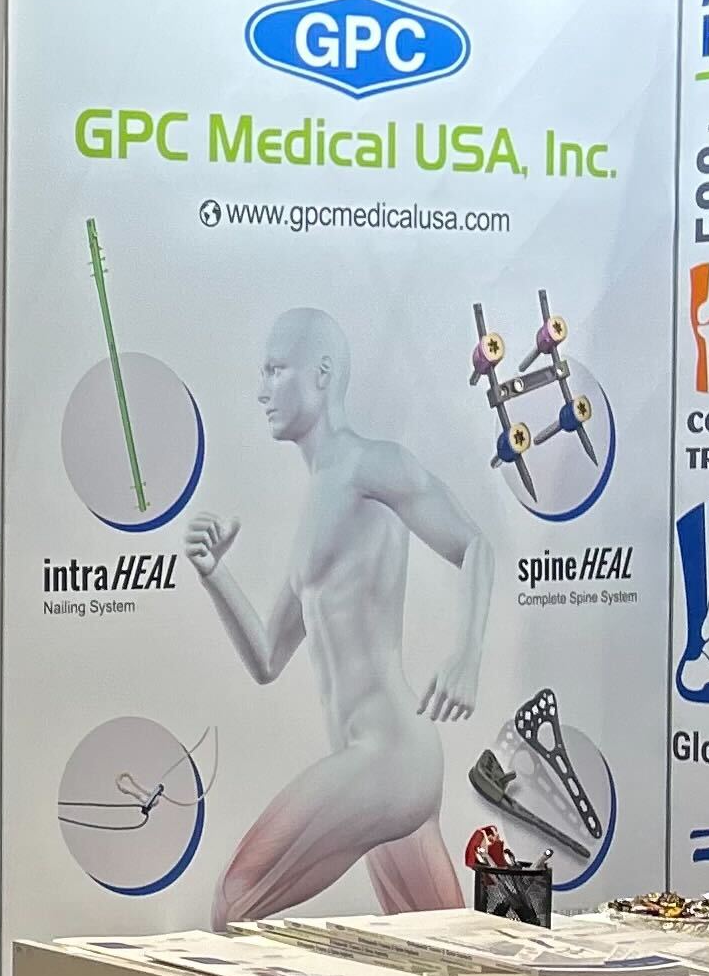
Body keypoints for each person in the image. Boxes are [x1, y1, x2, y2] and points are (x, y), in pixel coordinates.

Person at [181, 306, 491, 922]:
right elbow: (268, 658)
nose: (261, 390)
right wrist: (215, 573)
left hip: (388, 755)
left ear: (321, 374)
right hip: (377, 762)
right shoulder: (319, 503)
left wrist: (468, 657)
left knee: (235, 900)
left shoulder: (370, 464)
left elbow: (475, 544)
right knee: (443, 956)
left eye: (276, 370)